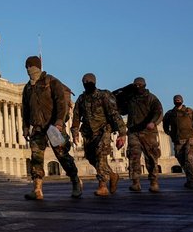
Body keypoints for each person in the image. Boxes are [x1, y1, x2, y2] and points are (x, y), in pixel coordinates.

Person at [21, 56, 82, 200]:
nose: (29, 70)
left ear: (37, 67)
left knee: (62, 155)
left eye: (30, 66)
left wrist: (59, 121)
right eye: (27, 67)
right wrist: (25, 126)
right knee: (36, 158)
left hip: (53, 126)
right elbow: (25, 109)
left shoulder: (51, 81)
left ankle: (75, 182)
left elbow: (61, 102)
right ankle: (37, 189)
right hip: (37, 128)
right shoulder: (28, 87)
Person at [71, 73, 127, 197]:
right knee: (92, 158)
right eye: (85, 82)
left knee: (100, 156)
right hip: (88, 133)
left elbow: (114, 114)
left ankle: (102, 185)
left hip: (103, 131)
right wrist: (75, 133)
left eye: (89, 81)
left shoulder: (104, 95)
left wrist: (122, 133)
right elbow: (76, 117)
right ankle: (112, 175)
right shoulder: (81, 99)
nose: (87, 83)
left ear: (95, 82)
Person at [119, 77, 163, 193]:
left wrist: (153, 122)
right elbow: (121, 109)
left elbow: (158, 111)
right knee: (133, 157)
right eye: (135, 85)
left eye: (139, 84)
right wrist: (124, 91)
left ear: (144, 85)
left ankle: (154, 182)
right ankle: (135, 182)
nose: (137, 86)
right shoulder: (131, 98)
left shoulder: (151, 98)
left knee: (151, 157)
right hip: (133, 131)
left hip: (147, 132)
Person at [163, 95, 193, 189]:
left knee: (188, 159)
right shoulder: (170, 113)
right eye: (175, 100)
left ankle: (191, 180)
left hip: (190, 139)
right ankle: (192, 178)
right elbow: (164, 123)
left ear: (182, 101)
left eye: (179, 100)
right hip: (178, 141)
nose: (177, 101)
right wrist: (168, 132)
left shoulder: (190, 111)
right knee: (181, 160)